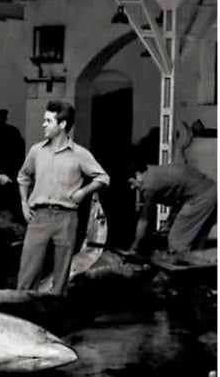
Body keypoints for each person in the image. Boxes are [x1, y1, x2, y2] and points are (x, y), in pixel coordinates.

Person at [16, 100, 110, 295]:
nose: (43, 125)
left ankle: (53, 314)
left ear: (63, 124)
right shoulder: (36, 151)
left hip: (66, 218)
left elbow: (103, 177)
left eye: (48, 121)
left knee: (61, 273)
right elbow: (23, 177)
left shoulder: (79, 154)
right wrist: (24, 204)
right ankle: (22, 313)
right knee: (28, 271)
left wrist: (83, 192)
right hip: (39, 217)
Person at [128, 125, 216, 255]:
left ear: (138, 175)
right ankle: (200, 268)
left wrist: (134, 247)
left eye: (133, 183)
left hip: (202, 197)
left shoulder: (149, 186)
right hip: (210, 190)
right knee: (196, 241)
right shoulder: (158, 170)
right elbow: (180, 193)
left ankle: (180, 272)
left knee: (176, 242)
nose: (132, 187)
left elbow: (144, 220)